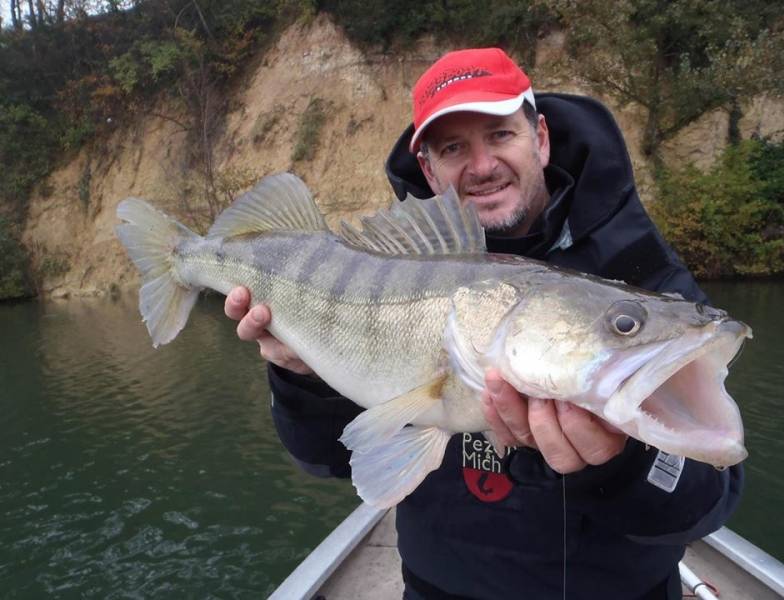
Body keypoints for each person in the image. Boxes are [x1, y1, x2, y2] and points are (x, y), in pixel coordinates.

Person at [225, 48, 743, 599]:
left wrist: (621, 463)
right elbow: (327, 457)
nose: (482, 165)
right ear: (428, 168)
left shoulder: (638, 270)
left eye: (500, 135)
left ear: (539, 138)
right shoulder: (380, 269)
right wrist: (302, 379)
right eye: (453, 147)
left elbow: (708, 497)